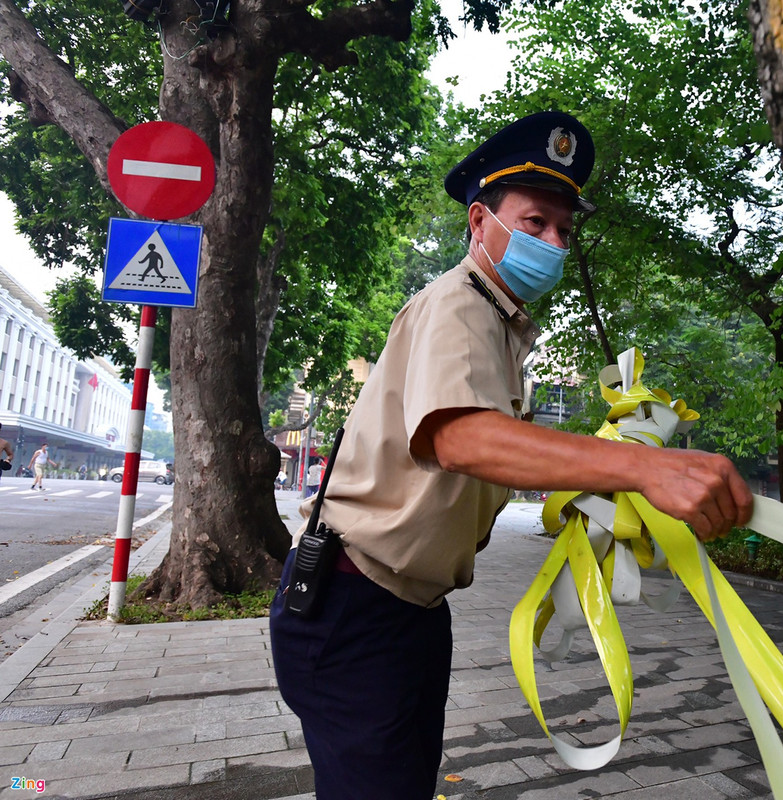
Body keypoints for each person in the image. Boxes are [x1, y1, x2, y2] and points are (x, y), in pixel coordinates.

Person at [269, 111, 753, 799]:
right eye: (534, 223)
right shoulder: (459, 303)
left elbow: (493, 453)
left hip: (401, 609)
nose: (553, 243)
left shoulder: (498, 324)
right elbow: (461, 437)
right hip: (356, 604)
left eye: (564, 230)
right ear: (478, 222)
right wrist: (646, 467)